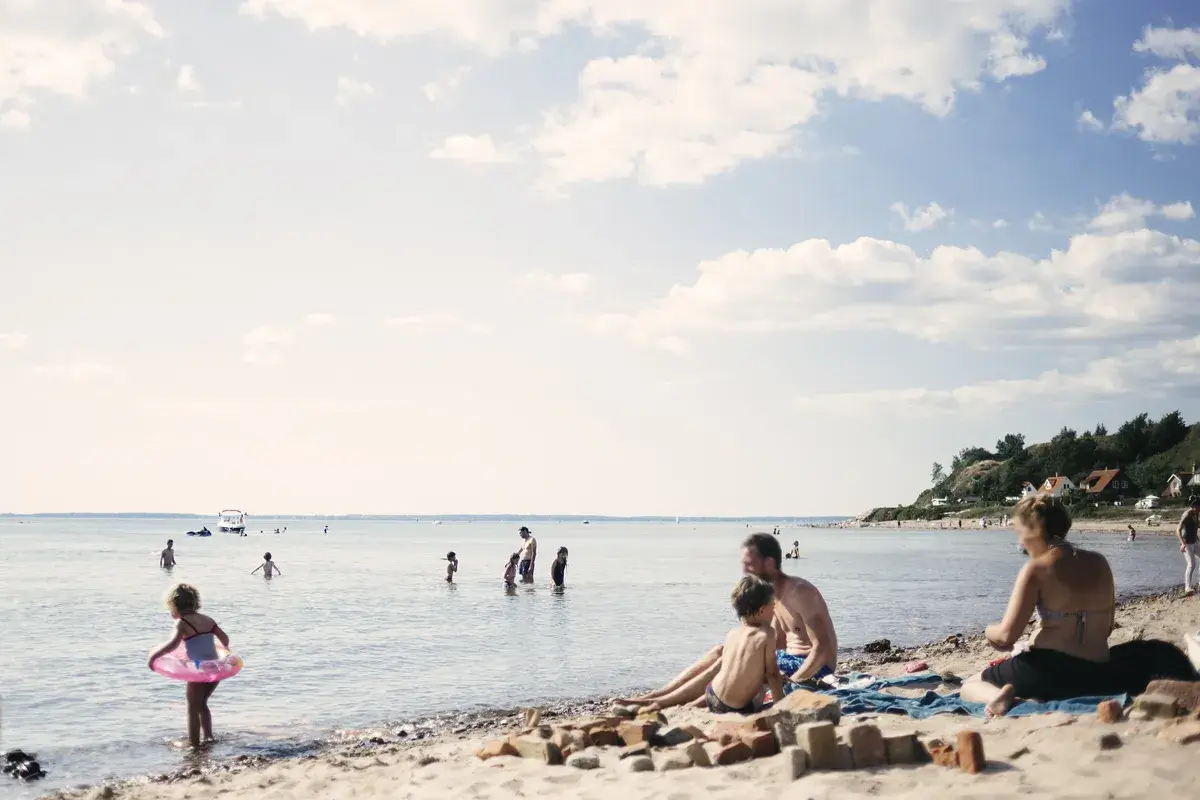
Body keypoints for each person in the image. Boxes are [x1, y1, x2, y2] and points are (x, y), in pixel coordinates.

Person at [962, 493, 1197, 717]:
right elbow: (1106, 628)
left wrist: (987, 631)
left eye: (1021, 533)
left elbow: (1006, 636)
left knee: (971, 684)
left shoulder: (1037, 568)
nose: (1020, 542)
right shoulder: (1100, 562)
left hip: (1048, 672)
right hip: (1098, 671)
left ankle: (1006, 699)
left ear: (1034, 531)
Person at [618, 532, 838, 706]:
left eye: (749, 563)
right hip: (787, 662)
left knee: (733, 657)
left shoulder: (800, 592)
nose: (744, 569)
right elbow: (778, 642)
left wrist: (793, 681)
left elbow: (822, 648)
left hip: (813, 669)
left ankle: (667, 702)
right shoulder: (771, 597)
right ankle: (658, 695)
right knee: (721, 651)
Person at [644, 576, 786, 712]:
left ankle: (674, 702)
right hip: (734, 708)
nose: (774, 611)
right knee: (763, 690)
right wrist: (780, 705)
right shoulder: (767, 634)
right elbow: (772, 674)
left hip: (712, 695)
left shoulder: (732, 634)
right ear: (762, 610)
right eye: (772, 606)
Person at [148, 584, 230, 748]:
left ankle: (193, 742)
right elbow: (225, 640)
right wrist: (221, 651)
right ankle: (208, 736)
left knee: (193, 705)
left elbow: (173, 645)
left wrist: (155, 656)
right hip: (214, 668)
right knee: (202, 703)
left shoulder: (182, 623)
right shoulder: (208, 619)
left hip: (199, 670)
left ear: (174, 605)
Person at [1179, 496, 1200, 594]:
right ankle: (1187, 587)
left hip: (1195, 541)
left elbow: (1196, 525)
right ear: (1194, 507)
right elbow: (1178, 529)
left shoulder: (1197, 513)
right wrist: (1182, 544)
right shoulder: (1186, 515)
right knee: (1192, 564)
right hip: (1186, 543)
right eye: (1198, 507)